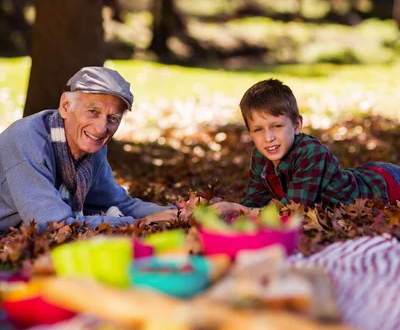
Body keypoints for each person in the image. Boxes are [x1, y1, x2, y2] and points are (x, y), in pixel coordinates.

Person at [0, 66, 178, 233]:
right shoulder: (28, 141)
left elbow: (119, 203)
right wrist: (139, 223)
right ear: (65, 106)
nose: (101, 128)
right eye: (93, 111)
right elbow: (53, 224)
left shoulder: (92, 149)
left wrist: (175, 212)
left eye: (113, 118)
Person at [215, 78, 400, 216]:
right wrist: (230, 213)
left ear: (296, 125)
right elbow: (254, 200)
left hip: (385, 184)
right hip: (365, 174)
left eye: (277, 126)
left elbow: (294, 209)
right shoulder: (259, 156)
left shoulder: (311, 152)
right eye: (258, 130)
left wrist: (241, 210)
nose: (268, 138)